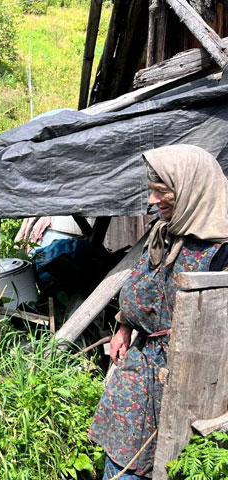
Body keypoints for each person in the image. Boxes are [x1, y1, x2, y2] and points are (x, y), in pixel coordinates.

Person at [88, 144, 228, 479]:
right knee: (122, 461)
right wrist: (124, 326)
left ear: (191, 190)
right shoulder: (163, 235)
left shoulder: (222, 253)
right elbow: (145, 290)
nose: (152, 200)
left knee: (174, 464)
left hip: (190, 384)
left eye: (161, 191)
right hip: (140, 371)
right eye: (152, 190)